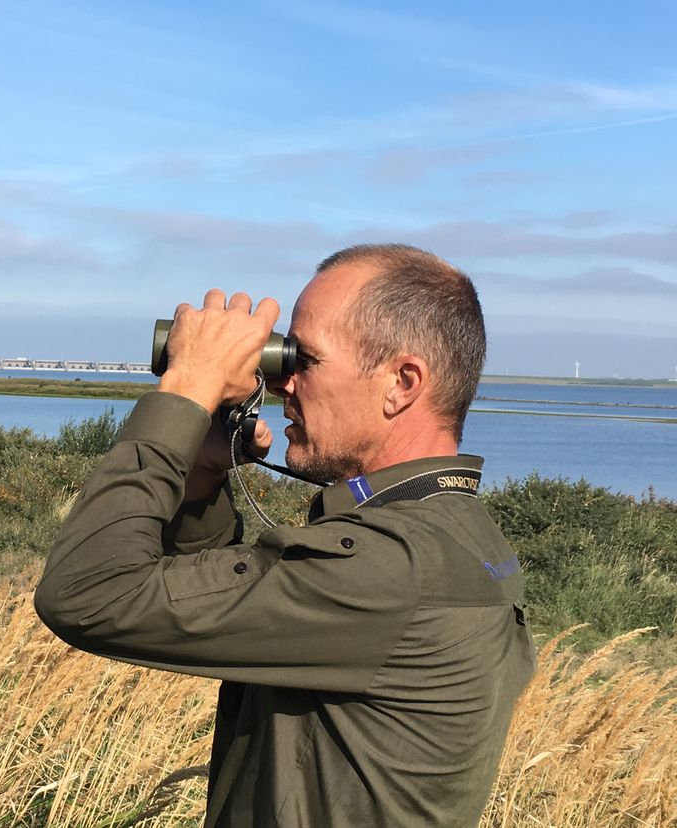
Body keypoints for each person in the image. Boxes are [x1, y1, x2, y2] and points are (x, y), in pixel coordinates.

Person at [35, 244, 536, 827]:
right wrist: (201, 471)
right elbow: (223, 603)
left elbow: (86, 593)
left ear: (401, 383)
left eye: (306, 361)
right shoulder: (452, 532)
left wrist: (185, 392)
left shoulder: (390, 564)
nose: (281, 384)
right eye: (283, 358)